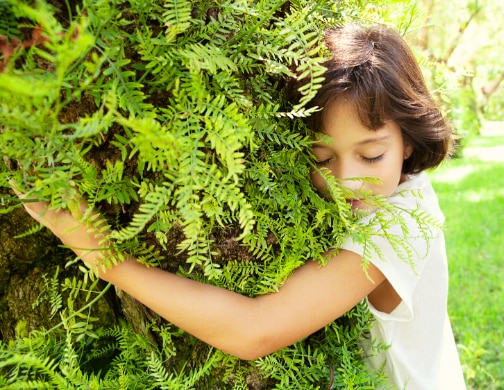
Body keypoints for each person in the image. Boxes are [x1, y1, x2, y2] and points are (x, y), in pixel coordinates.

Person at [15, 24, 465, 389]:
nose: (343, 180)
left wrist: (104, 255)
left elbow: (256, 329)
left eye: (371, 156)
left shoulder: (401, 223)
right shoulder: (389, 190)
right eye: (321, 158)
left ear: (409, 141)